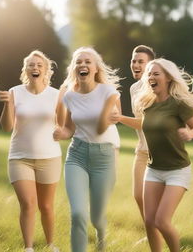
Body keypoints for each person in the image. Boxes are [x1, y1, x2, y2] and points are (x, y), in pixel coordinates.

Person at [111, 58, 193, 252]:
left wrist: (190, 133)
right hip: (153, 169)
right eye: (149, 74)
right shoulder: (147, 104)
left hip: (177, 170)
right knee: (150, 221)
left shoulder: (179, 104)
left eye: (156, 73)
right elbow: (142, 124)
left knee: (161, 220)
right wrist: (119, 118)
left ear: (168, 77)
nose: (151, 77)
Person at [53, 47, 120, 252]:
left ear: (95, 67)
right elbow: (69, 129)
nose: (83, 64)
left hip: (104, 157)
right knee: (77, 214)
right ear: (74, 68)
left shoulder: (108, 92)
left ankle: (101, 235)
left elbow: (101, 129)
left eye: (88, 61)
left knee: (97, 217)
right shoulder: (70, 97)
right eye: (79, 62)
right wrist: (60, 133)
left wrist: (109, 110)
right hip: (77, 156)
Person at [0, 50, 63, 252]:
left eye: (39, 65)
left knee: (46, 206)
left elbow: (63, 124)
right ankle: (28, 248)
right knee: (28, 203)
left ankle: (51, 244)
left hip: (49, 157)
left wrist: (63, 131)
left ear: (46, 70)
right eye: (31, 65)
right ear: (25, 69)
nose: (35, 68)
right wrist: (8, 104)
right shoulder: (15, 92)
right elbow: (7, 127)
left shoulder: (56, 94)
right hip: (19, 158)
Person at [129, 45, 155, 218]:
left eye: (141, 61)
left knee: (152, 197)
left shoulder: (157, 87)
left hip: (159, 152)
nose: (136, 64)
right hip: (142, 150)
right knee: (139, 195)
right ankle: (151, 233)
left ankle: (158, 234)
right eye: (134, 61)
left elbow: (149, 123)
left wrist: (119, 118)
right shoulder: (133, 88)